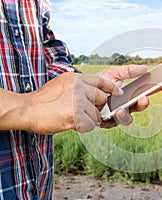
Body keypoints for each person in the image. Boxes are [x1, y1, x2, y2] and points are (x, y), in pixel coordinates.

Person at [0, 0, 149, 199]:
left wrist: (88, 87)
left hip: (36, 186)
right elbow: (35, 104)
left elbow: (47, 50)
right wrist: (30, 107)